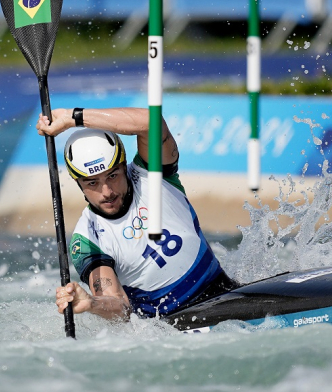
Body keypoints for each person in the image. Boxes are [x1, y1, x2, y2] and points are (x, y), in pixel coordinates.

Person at [36, 107, 237, 321]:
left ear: (124, 166)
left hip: (225, 293)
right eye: (92, 183)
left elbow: (151, 121)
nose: (107, 192)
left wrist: (72, 117)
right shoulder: (87, 240)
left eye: (112, 176)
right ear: (79, 184)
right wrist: (91, 303)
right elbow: (120, 306)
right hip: (172, 327)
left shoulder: (152, 173)